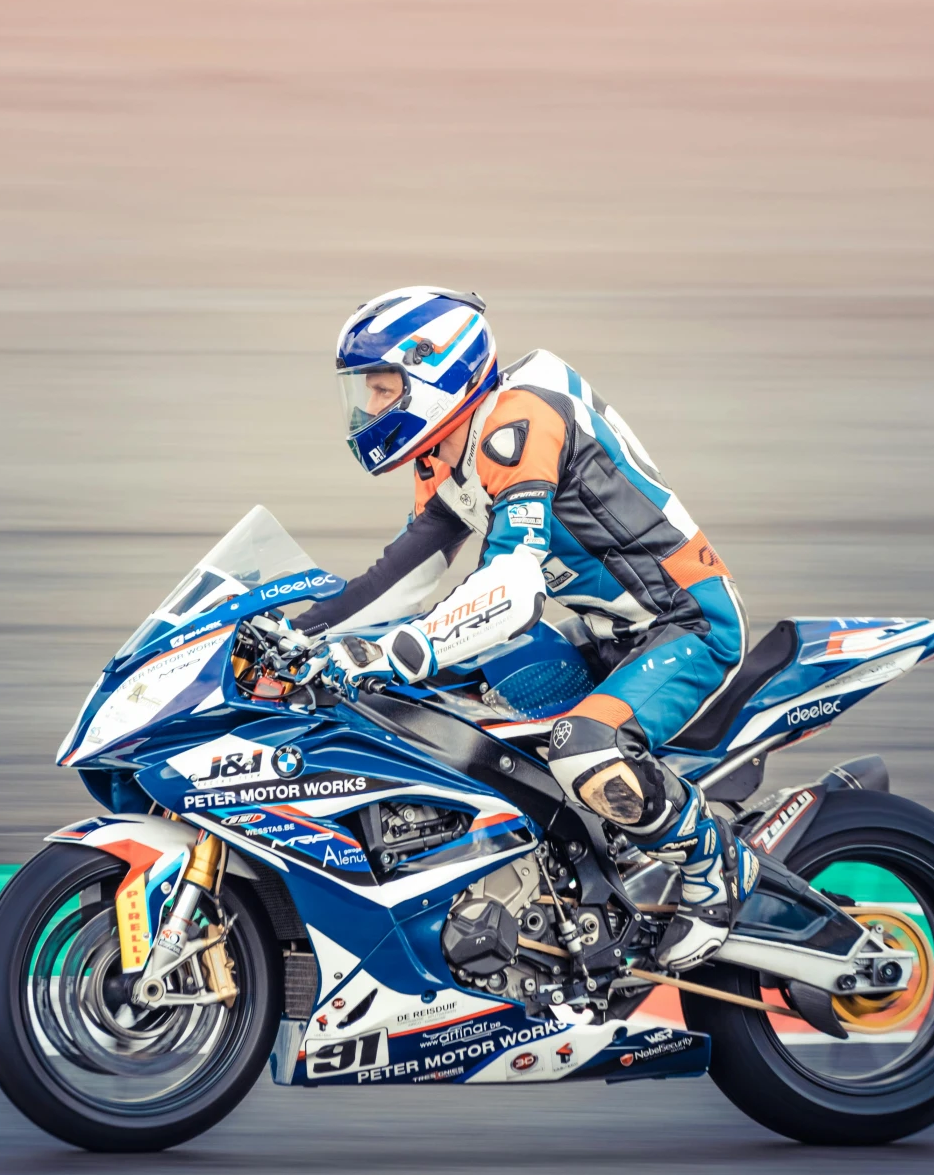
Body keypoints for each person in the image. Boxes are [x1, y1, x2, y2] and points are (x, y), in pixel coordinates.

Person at [292, 286, 758, 969]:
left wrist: (396, 647)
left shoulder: (521, 420)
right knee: (441, 702)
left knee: (583, 745)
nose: (370, 408)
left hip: (688, 622)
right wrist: (295, 632)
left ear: (436, 372)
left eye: (385, 389)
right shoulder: (447, 453)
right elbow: (399, 578)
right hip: (610, 633)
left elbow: (512, 588)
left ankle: (715, 863)